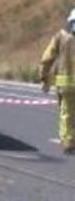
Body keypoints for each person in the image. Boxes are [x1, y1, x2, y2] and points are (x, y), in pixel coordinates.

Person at [39, 9, 75, 154]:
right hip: (66, 83)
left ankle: (68, 141)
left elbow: (47, 57)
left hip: (65, 83)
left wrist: (43, 77)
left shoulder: (61, 36)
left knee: (66, 113)